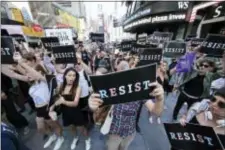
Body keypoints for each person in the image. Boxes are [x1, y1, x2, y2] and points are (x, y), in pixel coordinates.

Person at [88, 60, 164, 150]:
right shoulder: (109, 87)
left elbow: (156, 112)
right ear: (116, 72)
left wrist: (160, 99)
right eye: (120, 73)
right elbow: (96, 115)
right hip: (114, 132)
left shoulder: (139, 89)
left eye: (126, 73)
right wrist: (92, 107)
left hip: (129, 132)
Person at [13, 52, 64, 150]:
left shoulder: (45, 80)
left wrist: (21, 62)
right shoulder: (32, 83)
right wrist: (16, 64)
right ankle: (52, 136)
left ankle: (60, 138)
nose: (28, 73)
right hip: (38, 109)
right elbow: (21, 73)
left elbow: (34, 72)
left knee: (54, 125)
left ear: (39, 73)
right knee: (41, 128)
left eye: (30, 72)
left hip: (47, 107)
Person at [172, 49, 220, 120]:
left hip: (195, 99)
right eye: (201, 65)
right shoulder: (192, 71)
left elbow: (221, 71)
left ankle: (185, 122)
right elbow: (187, 61)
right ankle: (174, 117)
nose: (202, 67)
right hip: (184, 94)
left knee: (190, 113)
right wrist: (195, 51)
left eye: (206, 66)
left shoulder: (211, 77)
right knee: (177, 107)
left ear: (210, 68)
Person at [49, 67, 91, 150]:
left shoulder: (78, 87)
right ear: (65, 76)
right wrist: (51, 109)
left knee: (81, 128)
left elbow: (75, 103)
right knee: (71, 127)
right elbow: (56, 98)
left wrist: (63, 102)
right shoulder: (60, 86)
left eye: (74, 75)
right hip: (66, 112)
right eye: (69, 75)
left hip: (76, 112)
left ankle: (87, 140)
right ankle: (75, 138)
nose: (72, 78)